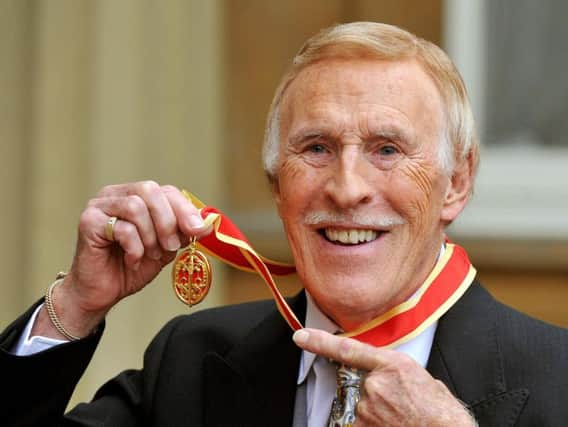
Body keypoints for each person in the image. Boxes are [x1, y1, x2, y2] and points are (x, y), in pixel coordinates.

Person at [1, 21, 567, 427]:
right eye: (316, 148)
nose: (346, 187)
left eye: (387, 149)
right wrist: (76, 304)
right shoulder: (192, 361)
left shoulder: (557, 380)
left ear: (457, 183)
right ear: (277, 185)